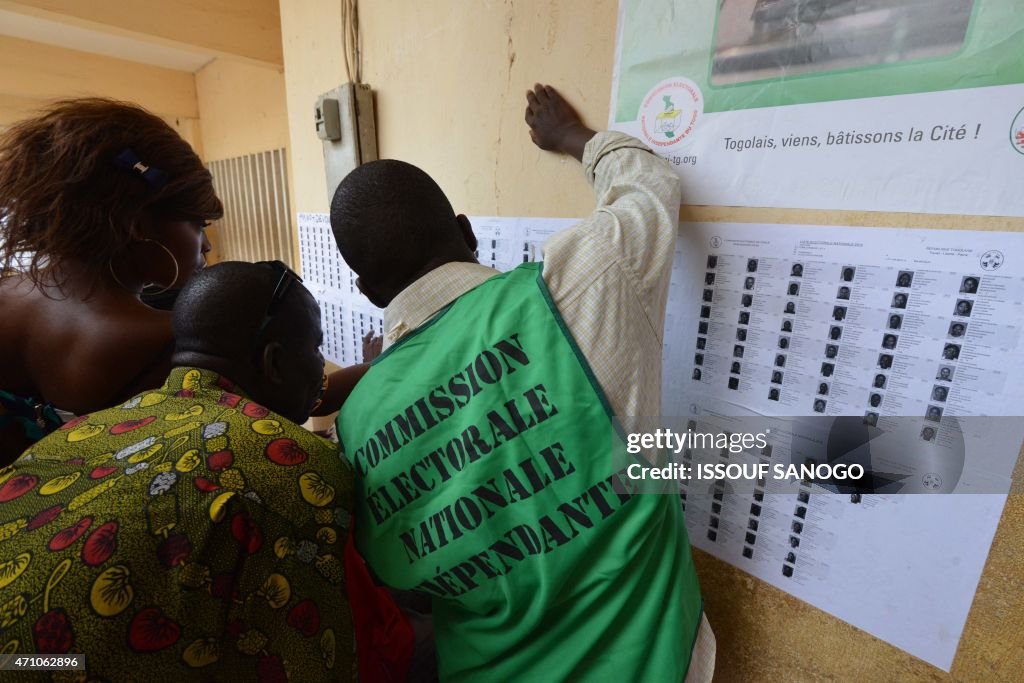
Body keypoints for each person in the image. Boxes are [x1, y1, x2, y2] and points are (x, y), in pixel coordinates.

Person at [329, 84, 713, 680]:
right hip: (652, 660)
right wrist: (573, 139)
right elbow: (649, 185)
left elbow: (400, 572)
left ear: (370, 293)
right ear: (466, 230)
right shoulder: (578, 285)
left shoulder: (356, 422)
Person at [0, 262, 359, 680]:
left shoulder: (84, 429)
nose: (320, 366)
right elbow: (306, 661)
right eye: (316, 349)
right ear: (274, 363)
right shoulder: (291, 464)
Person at [0, 99, 224, 463]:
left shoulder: (6, 293)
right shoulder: (173, 339)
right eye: (198, 225)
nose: (207, 244)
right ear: (138, 225)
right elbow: (304, 399)